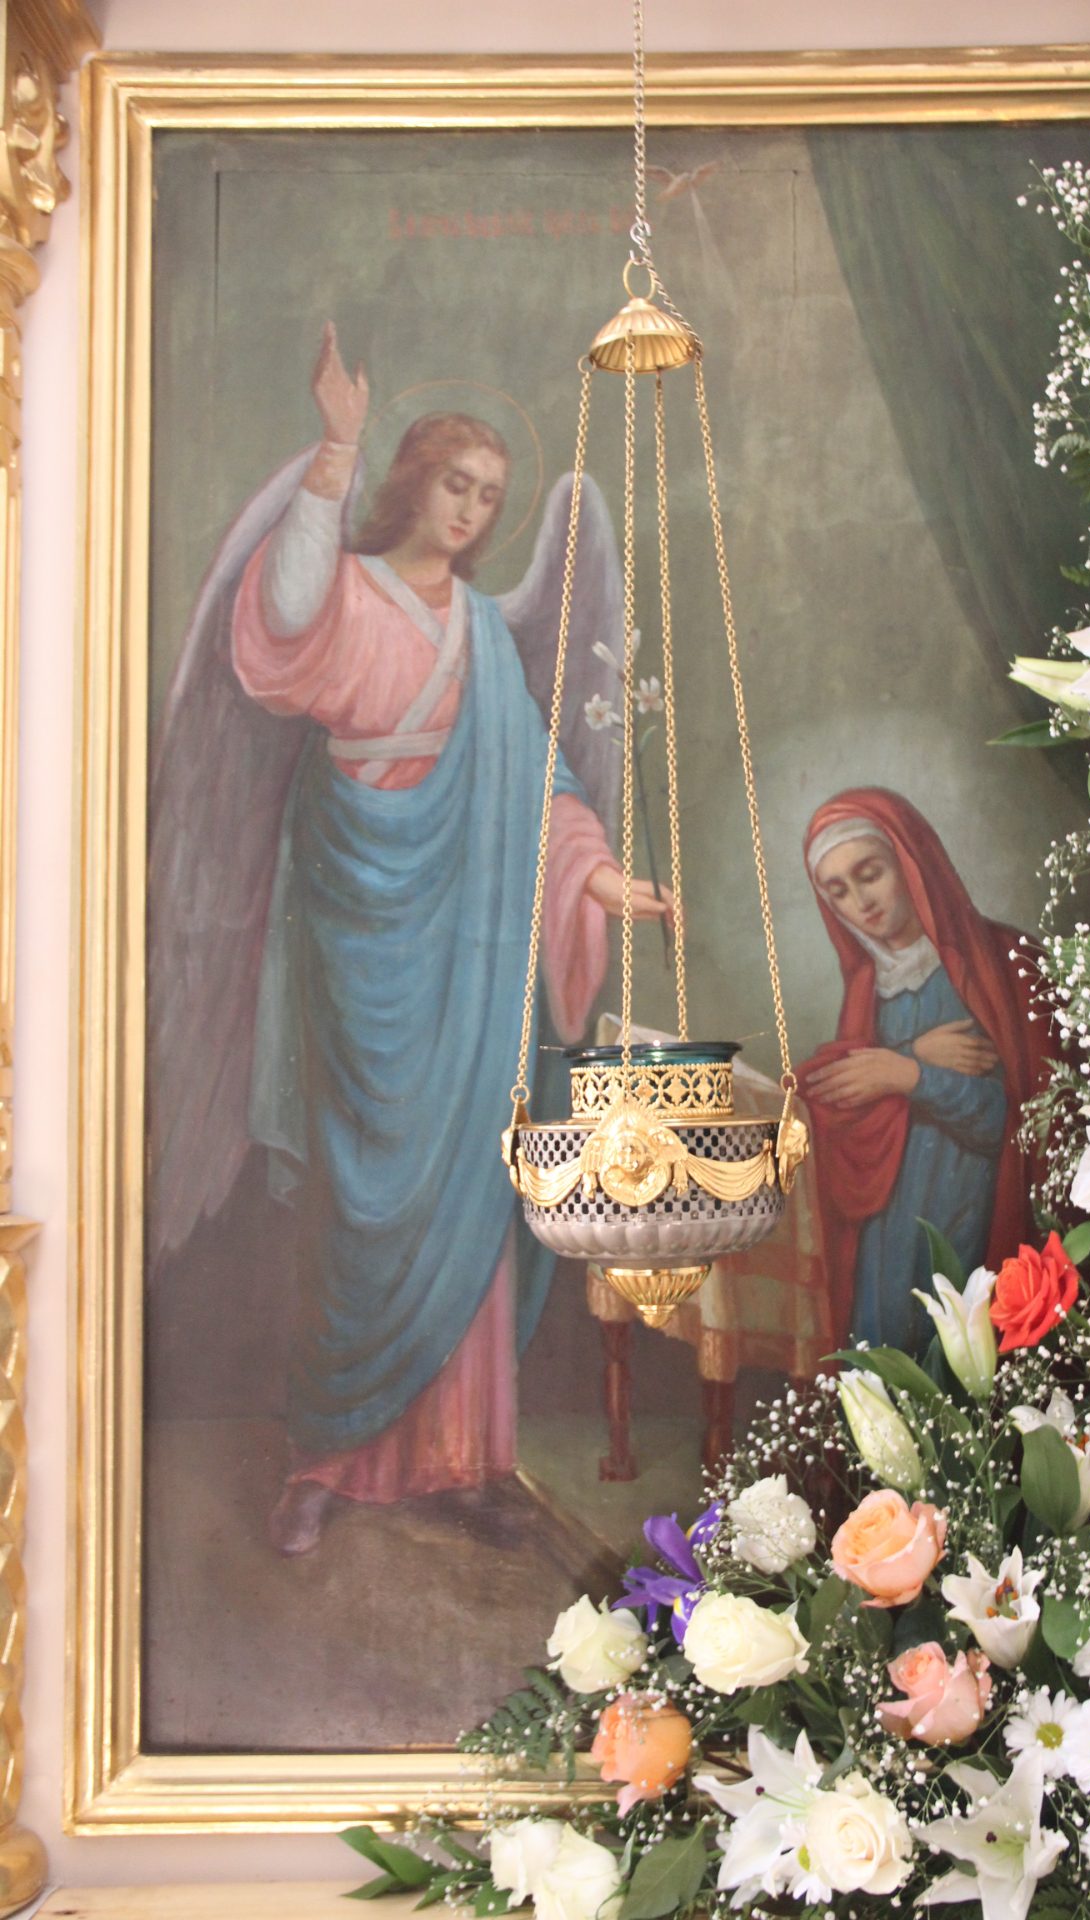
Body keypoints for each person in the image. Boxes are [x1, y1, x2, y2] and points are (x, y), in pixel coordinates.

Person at [153, 323, 667, 1555]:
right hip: (360, 919)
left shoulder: (484, 631)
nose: (472, 510)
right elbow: (277, 629)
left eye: (489, 494)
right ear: (413, 481)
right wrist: (333, 450)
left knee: (472, 1177)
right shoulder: (344, 587)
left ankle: (465, 1464)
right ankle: (326, 1460)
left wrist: (598, 878)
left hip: (472, 942)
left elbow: (535, 780)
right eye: (455, 483)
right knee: (363, 1195)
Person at [796, 788, 1047, 1353]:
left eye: (870, 874)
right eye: (839, 891)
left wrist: (908, 1076)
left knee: (959, 1364)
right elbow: (836, 1099)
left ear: (910, 861)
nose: (861, 901)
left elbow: (1012, 1123)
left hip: (971, 1217)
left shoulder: (1002, 964)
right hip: (884, 1237)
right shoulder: (868, 992)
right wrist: (911, 1059)